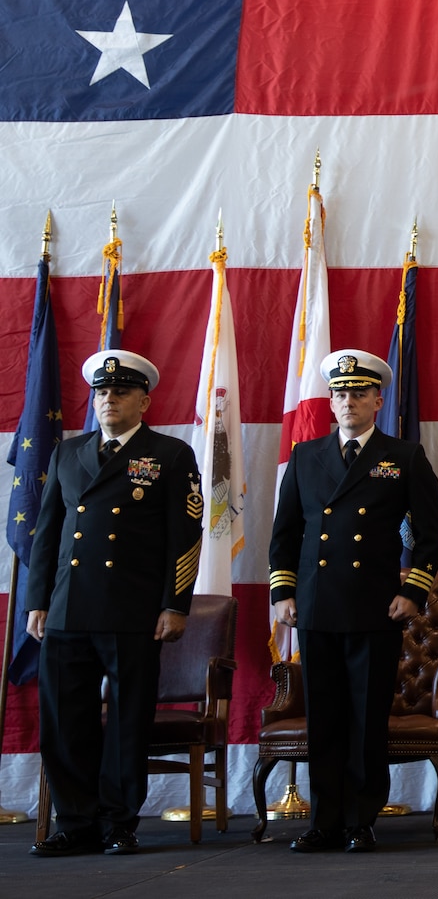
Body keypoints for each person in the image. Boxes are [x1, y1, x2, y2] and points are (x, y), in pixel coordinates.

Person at [269, 349, 438, 854]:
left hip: (375, 606)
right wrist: (284, 592)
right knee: (324, 717)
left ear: (377, 400)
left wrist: (413, 592)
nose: (348, 401)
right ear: (330, 401)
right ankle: (324, 820)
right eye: (340, 393)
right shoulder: (306, 456)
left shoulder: (403, 456)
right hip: (318, 605)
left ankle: (360, 819)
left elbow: (432, 535)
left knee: (367, 718)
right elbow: (284, 535)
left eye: (359, 393)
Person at [26, 350, 202, 857]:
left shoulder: (169, 455)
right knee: (65, 722)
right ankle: (75, 822)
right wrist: (37, 600)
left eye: (121, 391)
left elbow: (184, 536)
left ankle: (118, 823)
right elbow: (47, 535)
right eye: (102, 392)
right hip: (66, 609)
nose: (109, 399)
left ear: (144, 400)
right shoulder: (68, 453)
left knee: (127, 723)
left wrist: (175, 603)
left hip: (133, 610)